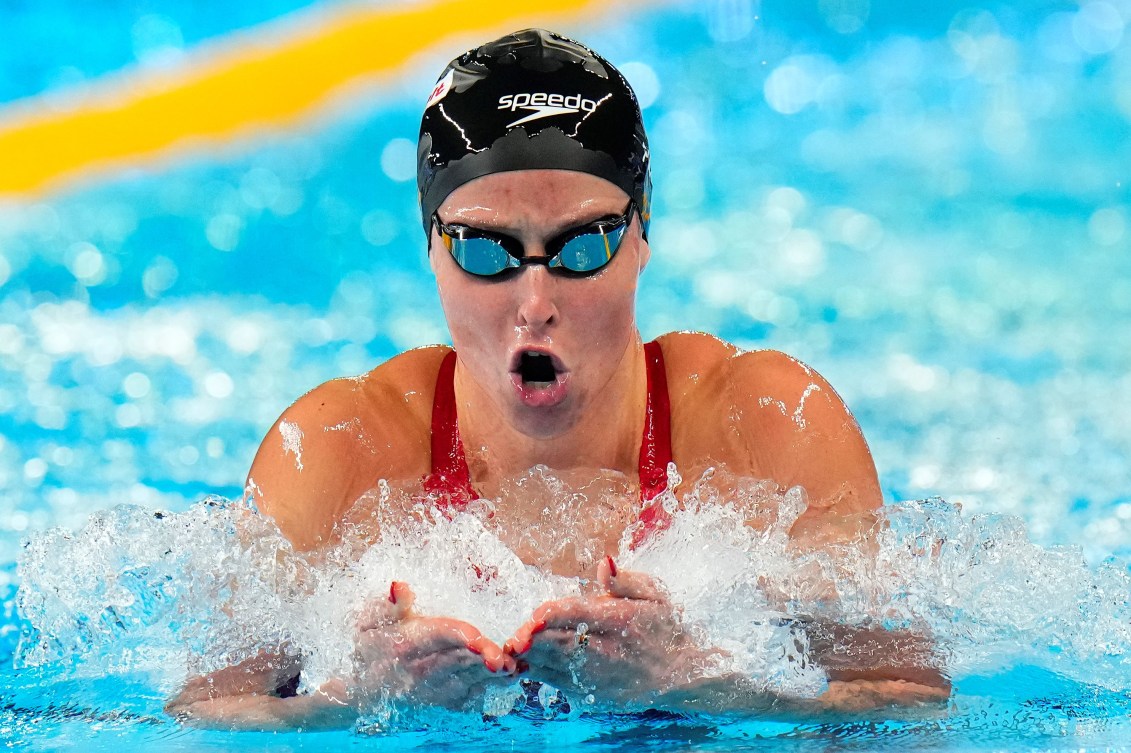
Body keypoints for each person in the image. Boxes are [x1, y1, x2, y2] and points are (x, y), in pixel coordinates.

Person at [167, 28, 949, 728]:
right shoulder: (334, 450)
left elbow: (912, 710)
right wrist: (354, 700)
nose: (533, 303)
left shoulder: (767, 426)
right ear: (430, 248)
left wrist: (697, 682)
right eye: (485, 252)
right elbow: (202, 718)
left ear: (642, 236)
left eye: (582, 247)